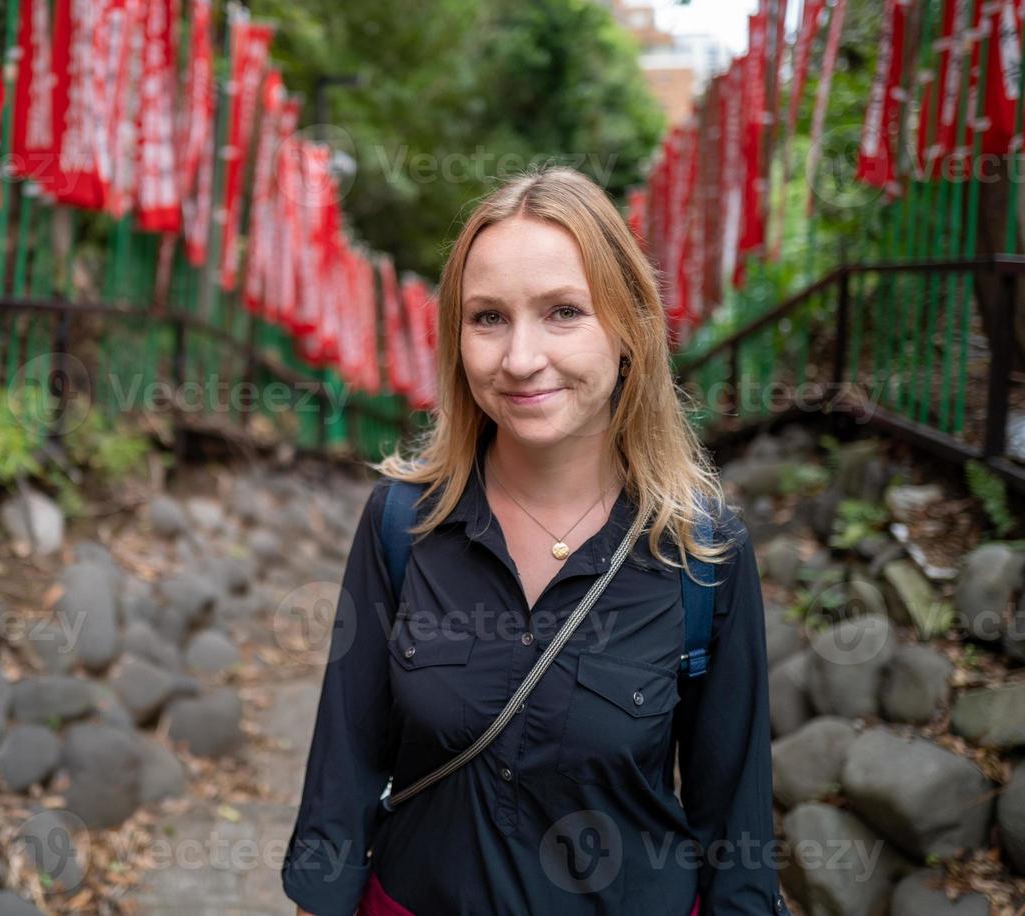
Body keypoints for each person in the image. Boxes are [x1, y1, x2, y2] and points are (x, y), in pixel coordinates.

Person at [280, 166, 786, 915]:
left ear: (629, 332)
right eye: (487, 318)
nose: (519, 359)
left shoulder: (701, 553)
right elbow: (342, 770)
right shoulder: (401, 523)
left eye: (561, 313)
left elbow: (732, 821)